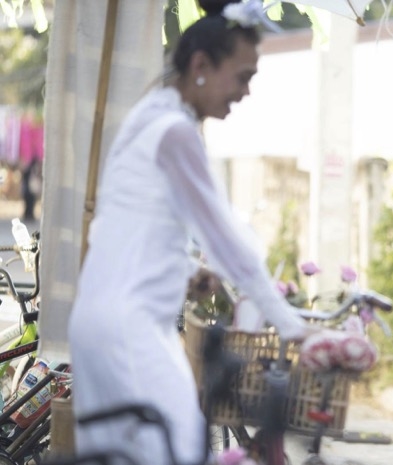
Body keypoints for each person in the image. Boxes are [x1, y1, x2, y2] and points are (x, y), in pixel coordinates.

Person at [67, 1, 309, 464]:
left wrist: (184, 272)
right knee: (177, 448)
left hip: (105, 320)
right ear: (200, 65)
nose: (246, 92)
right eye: (242, 76)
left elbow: (128, 228)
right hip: (129, 329)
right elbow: (226, 240)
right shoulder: (175, 132)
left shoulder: (148, 116)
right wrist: (293, 326)